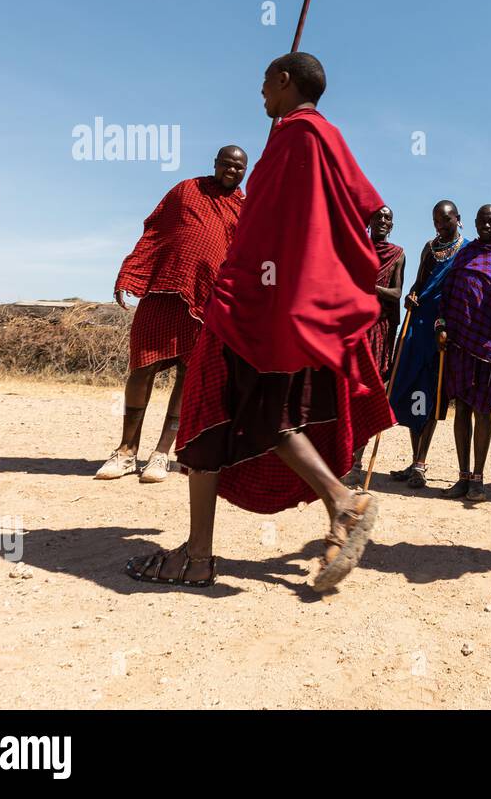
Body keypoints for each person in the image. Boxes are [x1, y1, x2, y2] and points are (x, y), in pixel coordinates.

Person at [124, 52, 391, 591]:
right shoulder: (321, 138)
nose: (261, 93)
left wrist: (243, 290)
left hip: (255, 308)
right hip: (290, 308)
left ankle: (332, 507)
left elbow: (272, 230)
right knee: (270, 415)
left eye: (266, 82)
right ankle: (335, 511)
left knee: (206, 411)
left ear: (285, 80)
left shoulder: (296, 137)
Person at [96, 146, 245, 482]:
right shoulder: (187, 190)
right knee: (142, 367)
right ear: (216, 164)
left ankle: (162, 453)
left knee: (188, 376)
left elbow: (244, 259)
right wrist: (130, 272)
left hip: (207, 300)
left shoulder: (243, 209)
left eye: (239, 168)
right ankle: (125, 451)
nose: (233, 172)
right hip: (163, 290)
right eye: (227, 165)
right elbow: (154, 231)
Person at [435, 205, 491, 502]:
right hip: (460, 342)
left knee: (483, 412)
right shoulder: (465, 253)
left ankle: (478, 481)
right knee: (462, 409)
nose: (487, 225)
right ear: (474, 223)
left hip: (490, 347)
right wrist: (442, 324)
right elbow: (449, 292)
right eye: (482, 221)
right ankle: (462, 477)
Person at [388, 200, 465, 487]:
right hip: (418, 325)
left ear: (457, 218)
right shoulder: (429, 247)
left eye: (445, 220)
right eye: (436, 221)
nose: (440, 226)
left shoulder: (465, 249)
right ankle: (413, 461)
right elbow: (418, 285)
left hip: (443, 329)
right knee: (412, 391)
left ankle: (421, 462)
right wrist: (410, 296)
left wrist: (447, 324)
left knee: (431, 395)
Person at [349, 206, 405, 483]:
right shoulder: (356, 248)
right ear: (369, 222)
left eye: (387, 218)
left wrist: (371, 287)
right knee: (345, 394)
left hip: (378, 330)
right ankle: (339, 458)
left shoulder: (397, 254)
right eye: (378, 217)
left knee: (367, 395)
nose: (382, 221)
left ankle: (356, 462)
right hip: (353, 326)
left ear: (392, 225)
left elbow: (396, 293)